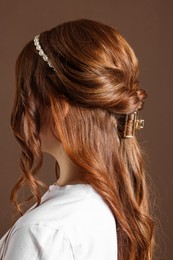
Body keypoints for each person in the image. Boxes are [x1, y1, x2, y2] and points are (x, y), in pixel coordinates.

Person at [0, 19, 155, 259]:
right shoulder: (108, 209)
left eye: (26, 92)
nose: (21, 107)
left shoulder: (42, 232)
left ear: (58, 106)